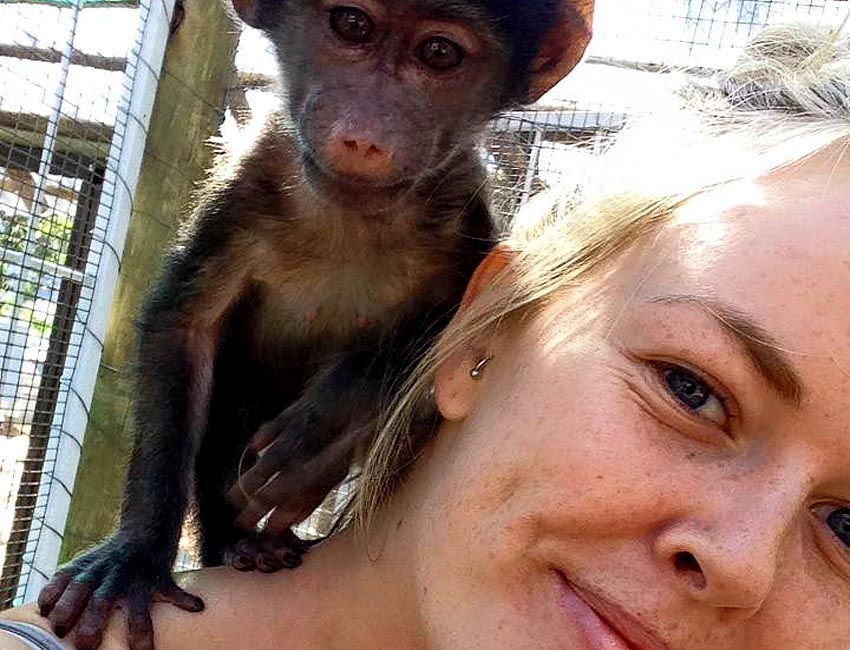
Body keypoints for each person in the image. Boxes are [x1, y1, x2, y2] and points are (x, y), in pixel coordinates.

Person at [2, 19, 850, 650]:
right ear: (485, 328)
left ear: (539, 65)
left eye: (849, 524)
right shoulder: (259, 192)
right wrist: (143, 542)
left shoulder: (452, 232)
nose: (739, 561)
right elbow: (179, 328)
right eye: (688, 385)